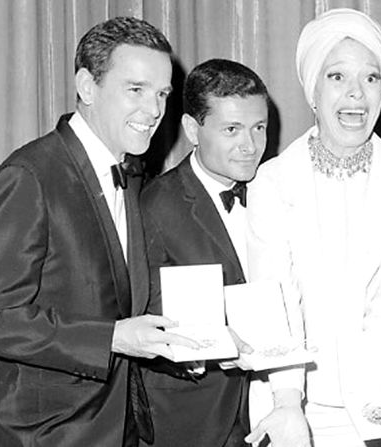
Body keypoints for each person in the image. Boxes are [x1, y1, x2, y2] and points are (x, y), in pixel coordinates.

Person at [0, 16, 203, 446]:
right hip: (50, 434)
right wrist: (113, 338)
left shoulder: (130, 171)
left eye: (161, 93)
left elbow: (117, 298)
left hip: (120, 427)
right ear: (87, 87)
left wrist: (197, 338)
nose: (155, 110)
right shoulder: (30, 175)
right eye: (136, 90)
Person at [245, 8, 381, 447]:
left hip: (375, 401)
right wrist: (289, 403)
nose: (356, 95)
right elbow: (274, 300)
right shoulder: (271, 183)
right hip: (288, 401)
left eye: (370, 79)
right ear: (312, 91)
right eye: (337, 77)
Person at [139, 58, 309, 447]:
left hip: (283, 405)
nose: (250, 146)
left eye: (259, 128)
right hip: (196, 420)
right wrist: (209, 346)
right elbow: (141, 317)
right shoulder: (153, 207)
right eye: (232, 130)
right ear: (191, 130)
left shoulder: (285, 190)